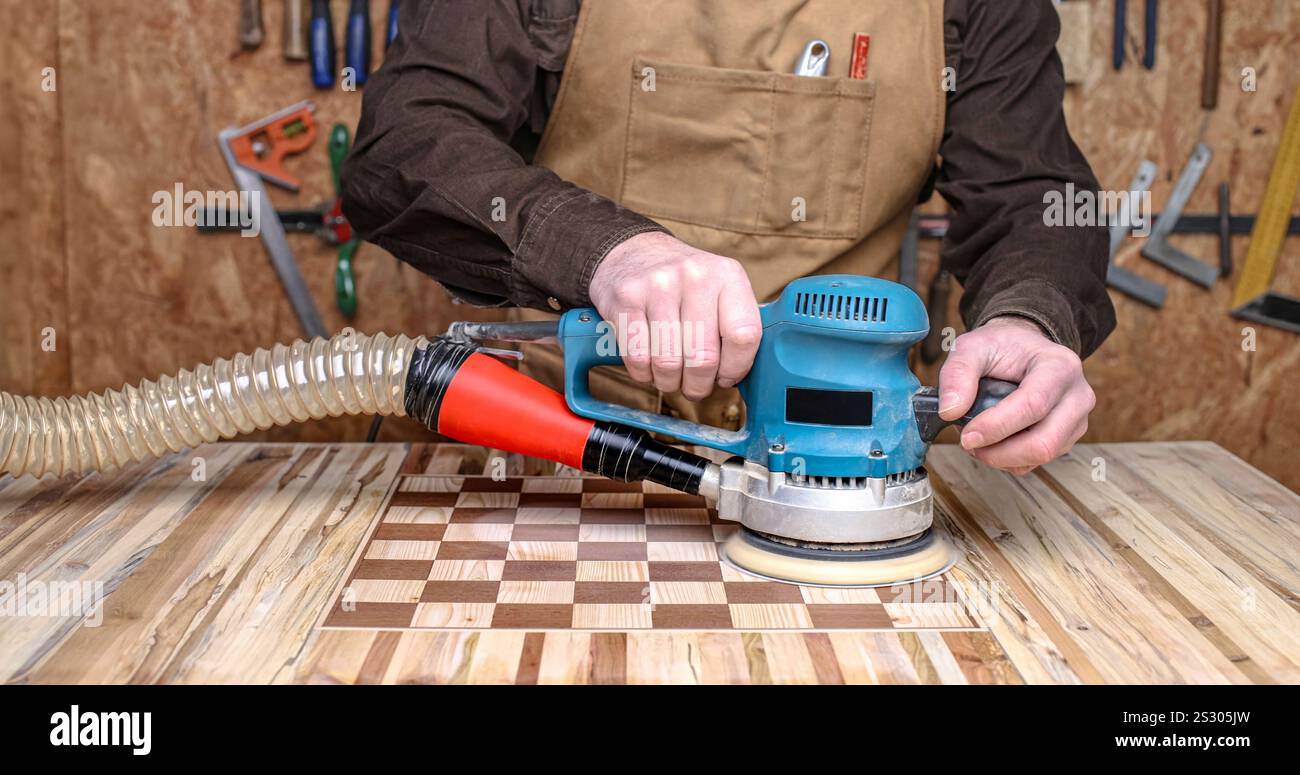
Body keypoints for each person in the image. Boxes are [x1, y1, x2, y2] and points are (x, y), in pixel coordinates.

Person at [342, 0, 1115, 476]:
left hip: (838, 474)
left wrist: (1029, 319)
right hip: (555, 450)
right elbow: (405, 140)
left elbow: (1032, 193)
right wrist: (606, 251)